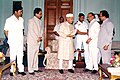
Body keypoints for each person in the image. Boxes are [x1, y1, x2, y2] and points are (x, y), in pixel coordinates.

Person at [4, 6, 26, 76]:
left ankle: (21, 70)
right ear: (15, 12)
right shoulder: (9, 20)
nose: (21, 13)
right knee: (13, 56)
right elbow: (6, 30)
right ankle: (12, 70)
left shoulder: (21, 20)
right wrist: (10, 39)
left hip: (20, 40)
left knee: (20, 55)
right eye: (20, 12)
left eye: (21, 12)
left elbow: (22, 30)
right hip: (13, 41)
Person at [27, 8, 43, 75]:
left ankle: (35, 68)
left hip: (37, 41)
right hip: (32, 41)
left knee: (36, 55)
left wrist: (40, 36)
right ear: (36, 14)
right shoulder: (31, 21)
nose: (41, 15)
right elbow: (31, 31)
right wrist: (37, 38)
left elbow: (41, 30)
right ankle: (30, 70)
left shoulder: (39, 21)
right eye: (40, 13)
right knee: (31, 55)